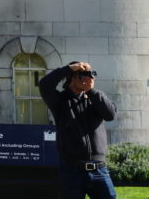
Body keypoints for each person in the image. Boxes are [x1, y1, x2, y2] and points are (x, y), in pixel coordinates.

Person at [38, 61, 118, 199]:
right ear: (71, 78)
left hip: (99, 169)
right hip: (72, 170)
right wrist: (68, 69)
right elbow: (44, 85)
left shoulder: (96, 96)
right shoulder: (60, 100)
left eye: (89, 75)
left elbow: (110, 115)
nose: (87, 78)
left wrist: (91, 91)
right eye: (82, 75)